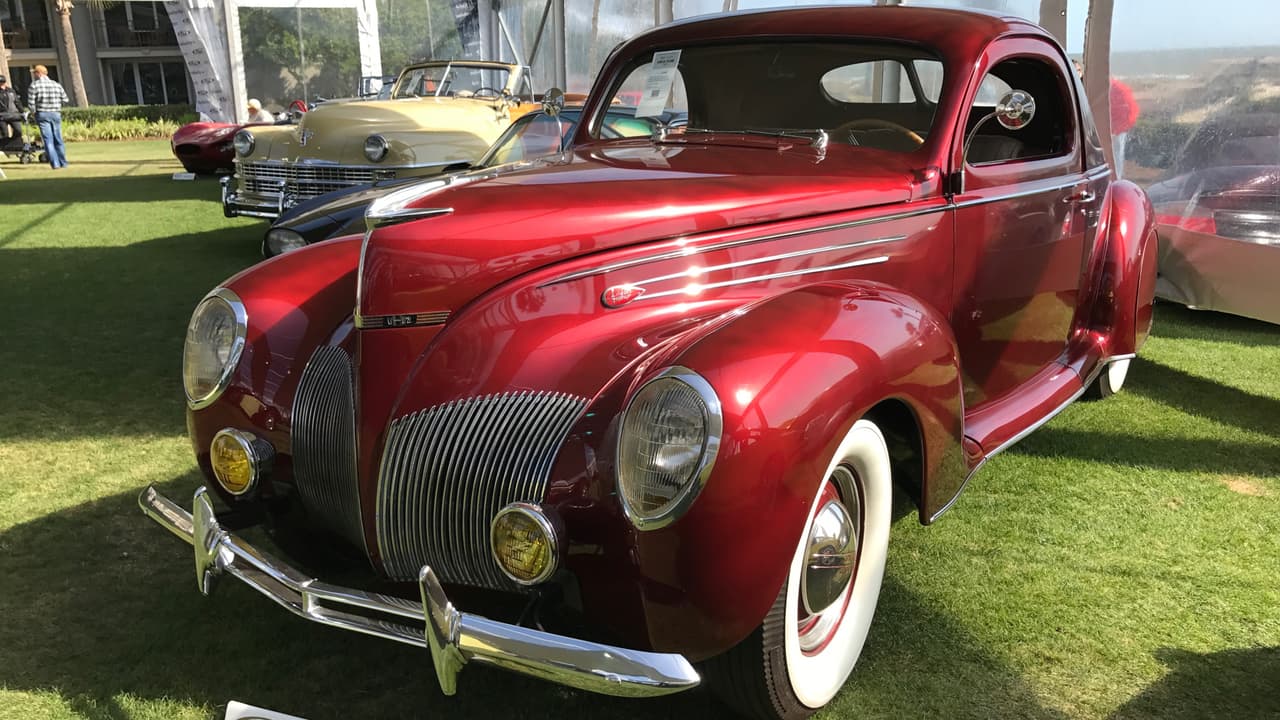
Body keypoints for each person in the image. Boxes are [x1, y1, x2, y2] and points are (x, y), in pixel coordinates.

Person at [27, 65, 69, 169]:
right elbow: (65, 99)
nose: (34, 75)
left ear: (39, 73)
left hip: (42, 113)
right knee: (58, 138)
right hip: (55, 113)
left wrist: (33, 113)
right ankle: (63, 163)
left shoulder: (34, 85)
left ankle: (55, 164)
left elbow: (31, 103)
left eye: (35, 73)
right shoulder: (56, 85)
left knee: (48, 140)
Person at [0, 76, 22, 145]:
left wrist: (22, 111)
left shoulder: (11, 90)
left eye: (2, 82)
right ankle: (4, 147)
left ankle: (13, 143)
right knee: (4, 133)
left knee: (18, 131)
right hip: (1, 115)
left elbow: (17, 101)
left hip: (13, 114)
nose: (1, 84)